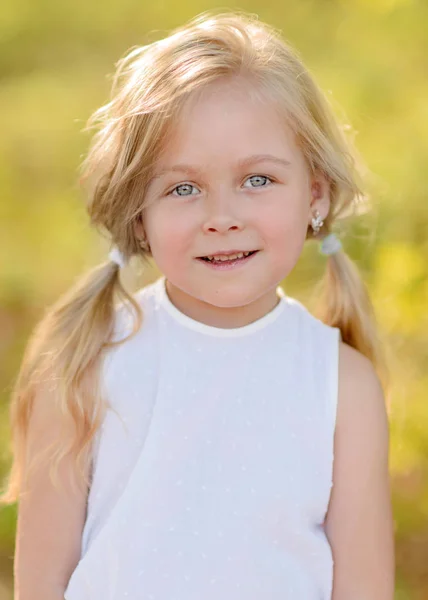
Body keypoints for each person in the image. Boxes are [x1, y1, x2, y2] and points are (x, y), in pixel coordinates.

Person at [2, 10, 395, 600]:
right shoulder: (85, 365)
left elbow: (362, 587)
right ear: (140, 215)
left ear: (313, 193)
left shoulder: (343, 385)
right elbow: (40, 583)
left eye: (258, 179)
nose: (222, 217)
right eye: (182, 189)